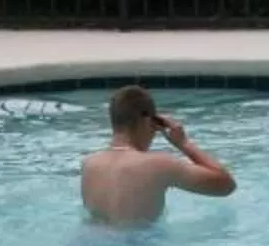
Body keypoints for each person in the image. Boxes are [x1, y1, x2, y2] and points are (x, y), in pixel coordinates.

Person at [81, 85, 236, 225]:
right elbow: (226, 185)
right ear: (148, 121)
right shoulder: (158, 165)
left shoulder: (89, 164)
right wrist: (183, 143)